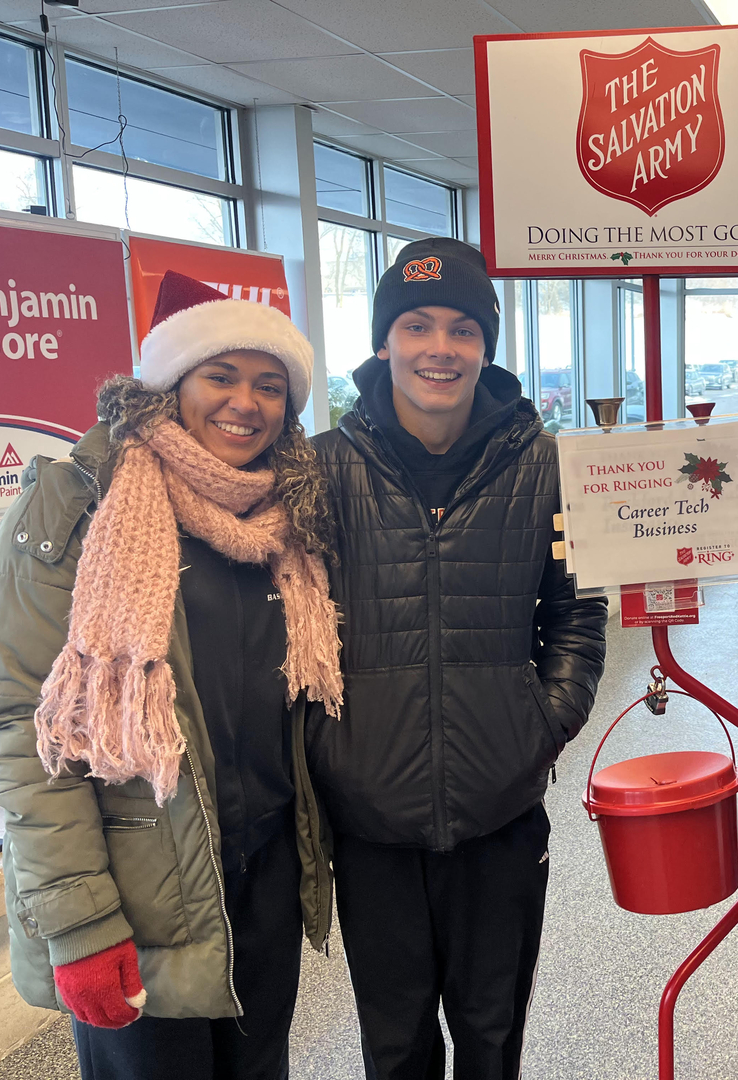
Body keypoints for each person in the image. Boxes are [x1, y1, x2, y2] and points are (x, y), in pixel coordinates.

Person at [0, 270, 342, 1079]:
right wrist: (80, 923)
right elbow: (23, 730)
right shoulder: (76, 508)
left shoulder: (287, 517)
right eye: (221, 375)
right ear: (170, 382)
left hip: (264, 877)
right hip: (142, 894)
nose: (246, 403)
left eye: (270, 385)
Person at [309, 238, 608, 1080]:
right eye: (416, 325)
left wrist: (542, 724)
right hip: (369, 816)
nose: (439, 348)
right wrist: (330, 749)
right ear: (384, 341)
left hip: (499, 810)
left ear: (486, 346)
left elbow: (577, 612)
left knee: (491, 1034)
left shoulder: (545, 467)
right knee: (395, 1045)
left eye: (462, 329)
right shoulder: (321, 470)